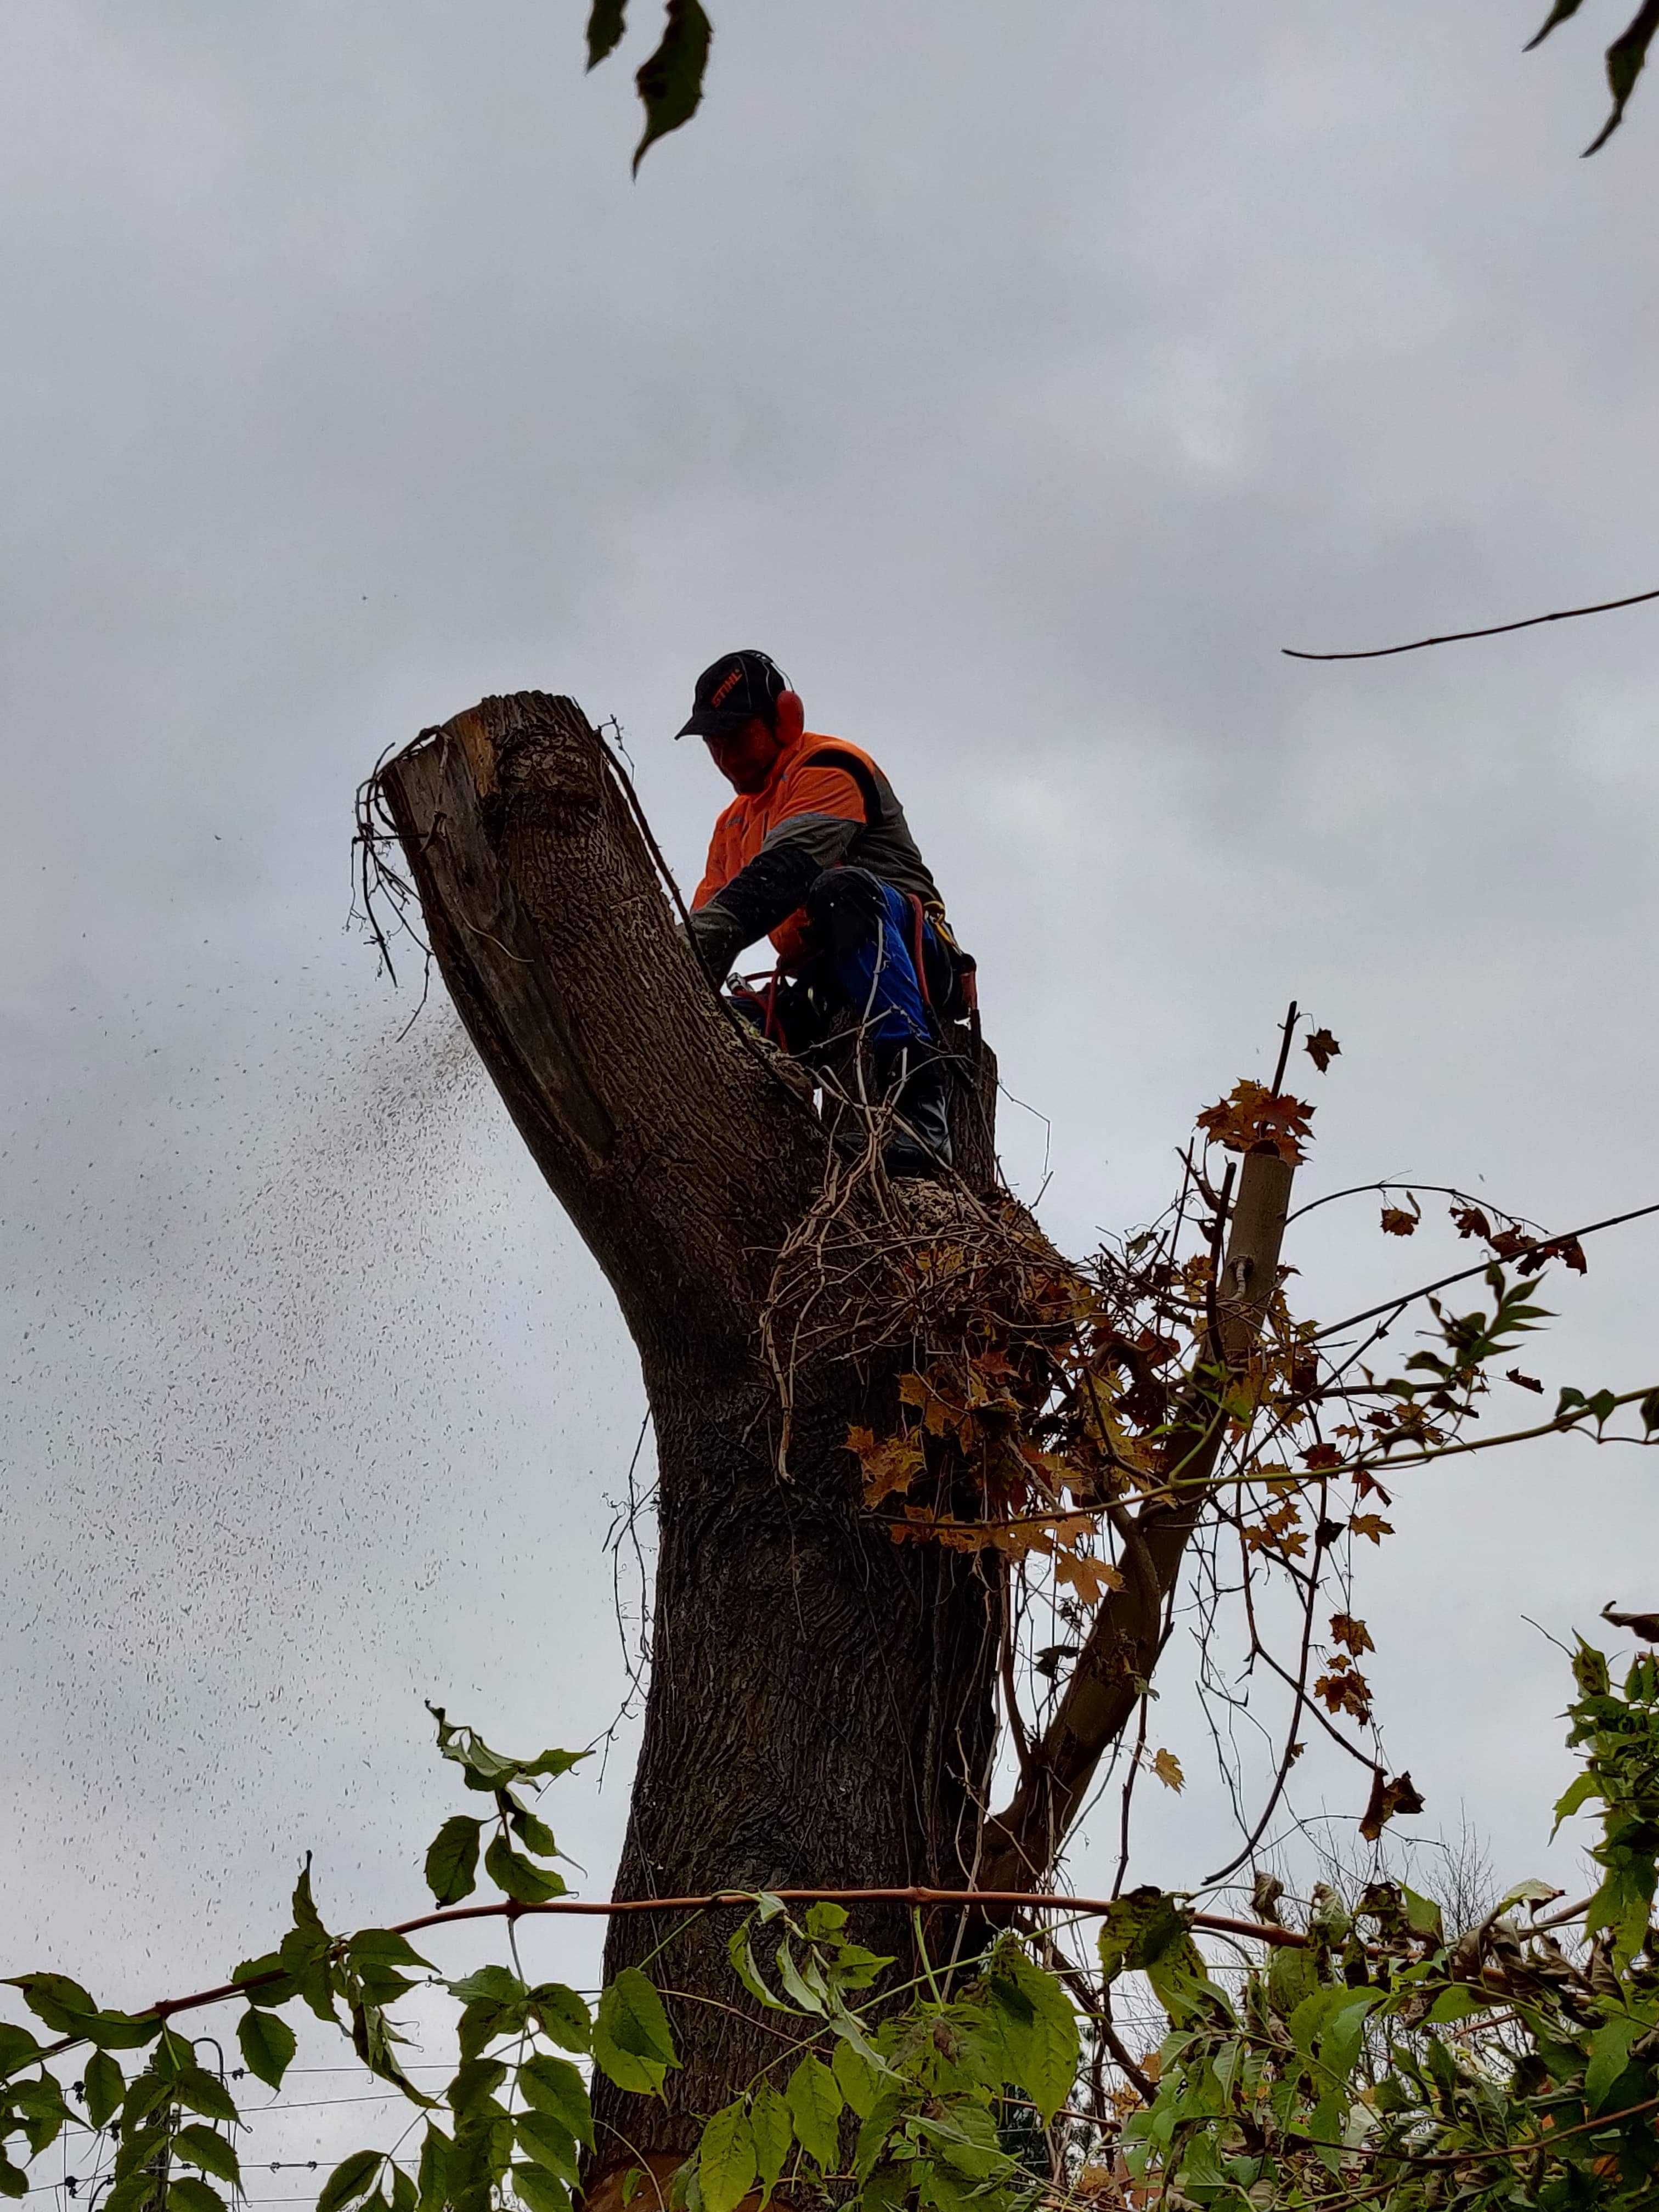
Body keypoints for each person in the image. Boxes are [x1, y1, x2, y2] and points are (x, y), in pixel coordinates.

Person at [677, 648, 972, 1177]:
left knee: (840, 891)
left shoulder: (829, 766)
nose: (725, 757)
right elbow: (713, 920)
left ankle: (919, 1107)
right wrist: (674, 982)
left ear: (785, 719)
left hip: (908, 951)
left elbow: (783, 874)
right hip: (822, 983)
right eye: (714, 744)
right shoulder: (731, 826)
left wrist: (675, 956)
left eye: (737, 737)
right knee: (725, 1023)